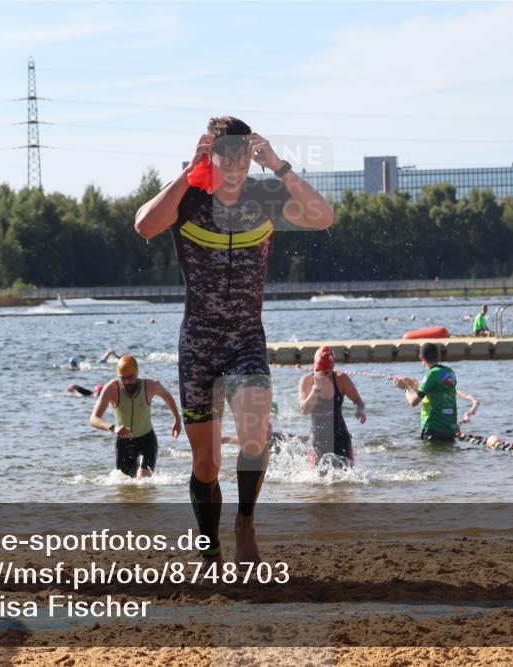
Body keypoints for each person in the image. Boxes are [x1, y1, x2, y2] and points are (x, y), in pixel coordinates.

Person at [134, 115, 334, 565]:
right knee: (206, 463)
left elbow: (324, 216)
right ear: (211, 154)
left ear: (251, 154)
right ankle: (209, 550)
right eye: (224, 156)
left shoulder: (265, 198)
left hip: (246, 339)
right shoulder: (190, 199)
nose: (234, 166)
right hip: (198, 345)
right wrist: (190, 170)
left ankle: (245, 522)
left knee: (255, 435)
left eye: (242, 156)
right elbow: (145, 225)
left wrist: (279, 166)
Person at [90, 356, 182, 479]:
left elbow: (168, 397)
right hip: (123, 444)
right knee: (125, 485)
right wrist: (113, 427)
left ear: (137, 374)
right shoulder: (111, 389)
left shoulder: (151, 385)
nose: (127, 382)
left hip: (147, 440)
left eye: (131, 377)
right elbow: (94, 419)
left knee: (143, 480)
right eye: (123, 378)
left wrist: (177, 420)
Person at [298, 346, 366, 467]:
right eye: (319, 371)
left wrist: (360, 410)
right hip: (318, 439)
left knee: (349, 476)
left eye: (326, 372)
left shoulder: (341, 379)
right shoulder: (307, 381)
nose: (323, 375)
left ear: (332, 368)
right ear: (314, 366)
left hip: (340, 437)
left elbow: (358, 401)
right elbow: (304, 410)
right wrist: (315, 390)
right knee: (317, 477)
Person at [395, 342, 458, 443]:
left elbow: (413, 402)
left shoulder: (431, 374)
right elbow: (435, 390)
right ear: (438, 356)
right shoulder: (449, 372)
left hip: (433, 428)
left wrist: (406, 388)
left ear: (421, 358)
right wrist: (414, 384)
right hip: (450, 429)